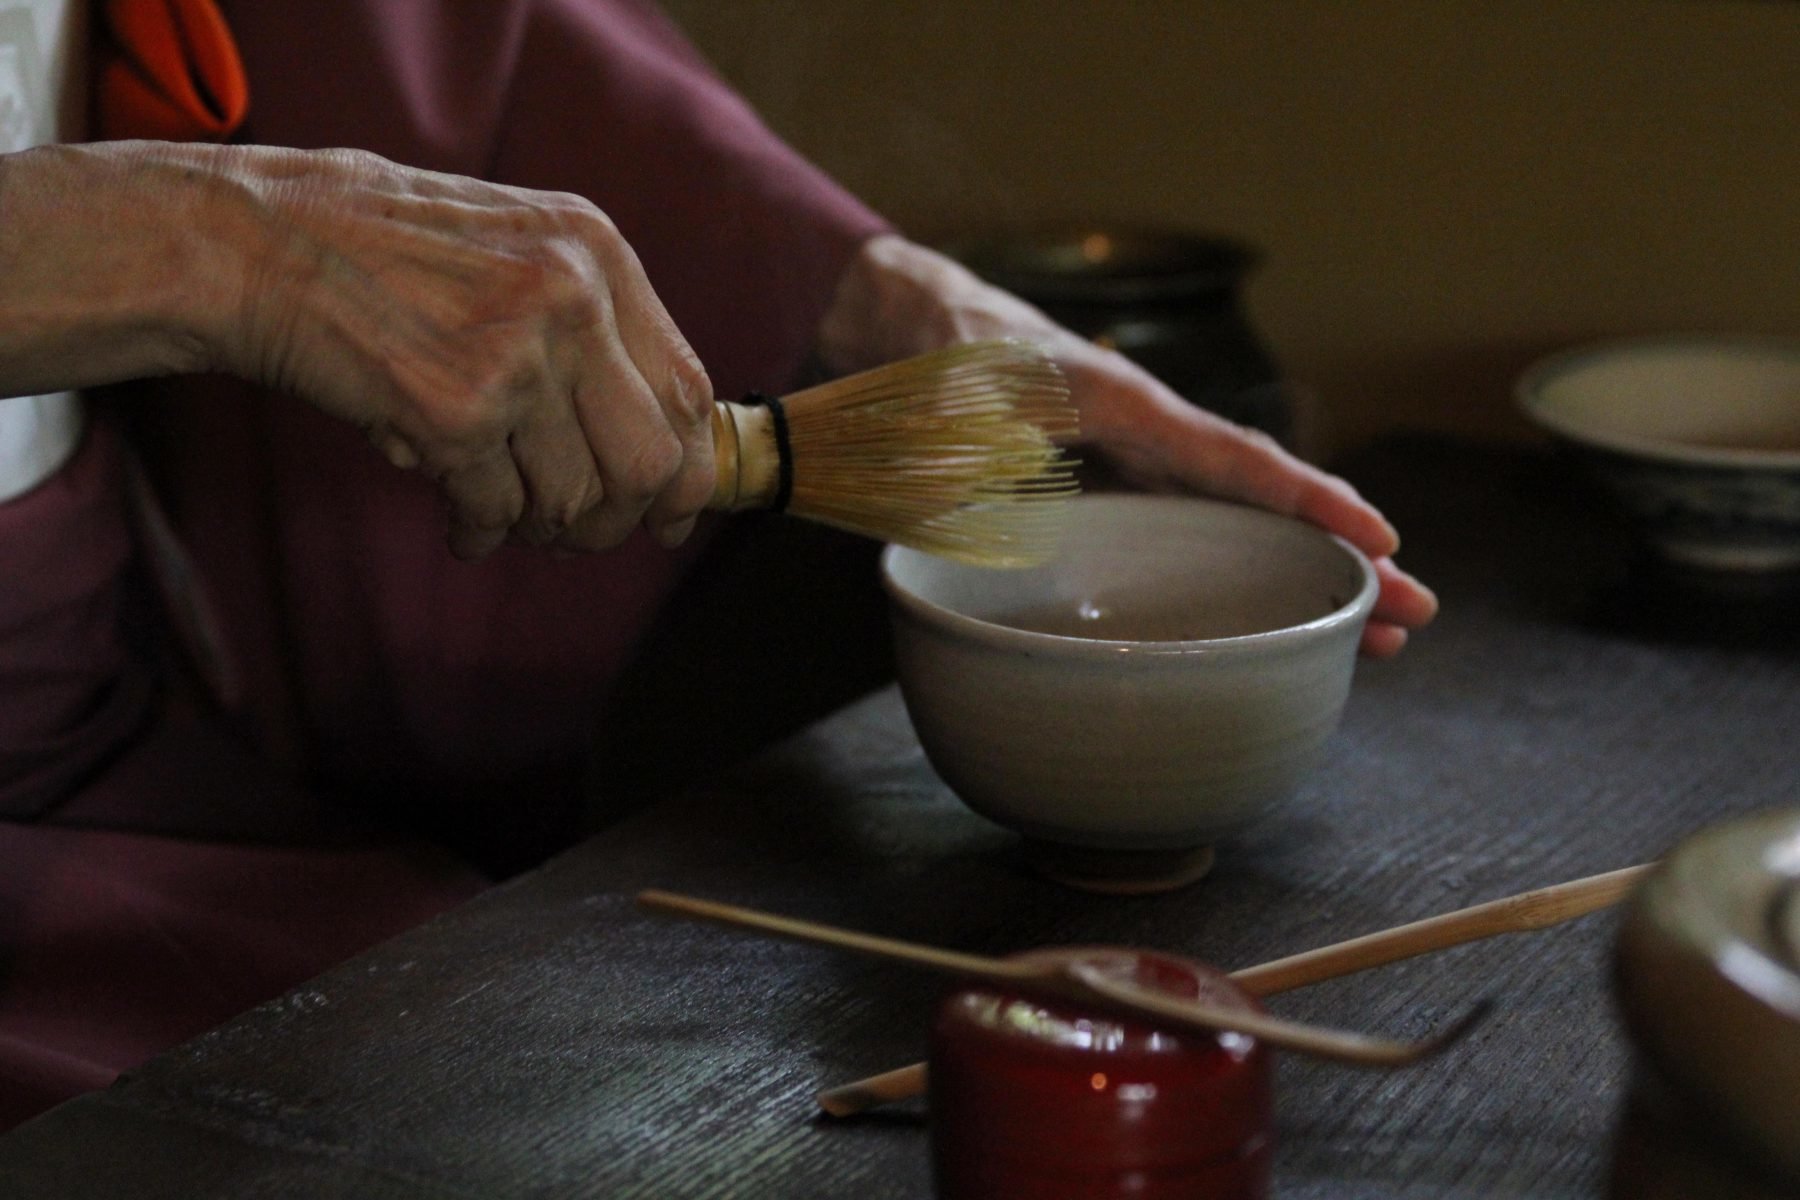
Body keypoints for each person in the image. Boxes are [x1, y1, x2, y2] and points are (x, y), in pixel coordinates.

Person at [0, 0, 1436, 1129]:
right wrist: (216, 241)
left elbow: (431, 30)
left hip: (112, 742)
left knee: (485, 1042)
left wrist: (881, 297)